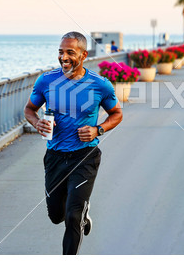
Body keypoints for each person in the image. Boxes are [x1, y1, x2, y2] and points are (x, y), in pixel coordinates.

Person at [24, 31, 123, 255]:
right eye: (61, 52)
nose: (64, 57)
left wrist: (98, 129)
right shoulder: (46, 81)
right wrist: (37, 122)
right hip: (55, 157)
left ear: (84, 55)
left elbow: (117, 114)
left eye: (70, 52)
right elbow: (29, 109)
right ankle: (81, 211)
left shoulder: (100, 85)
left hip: (85, 156)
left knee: (72, 217)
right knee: (56, 216)